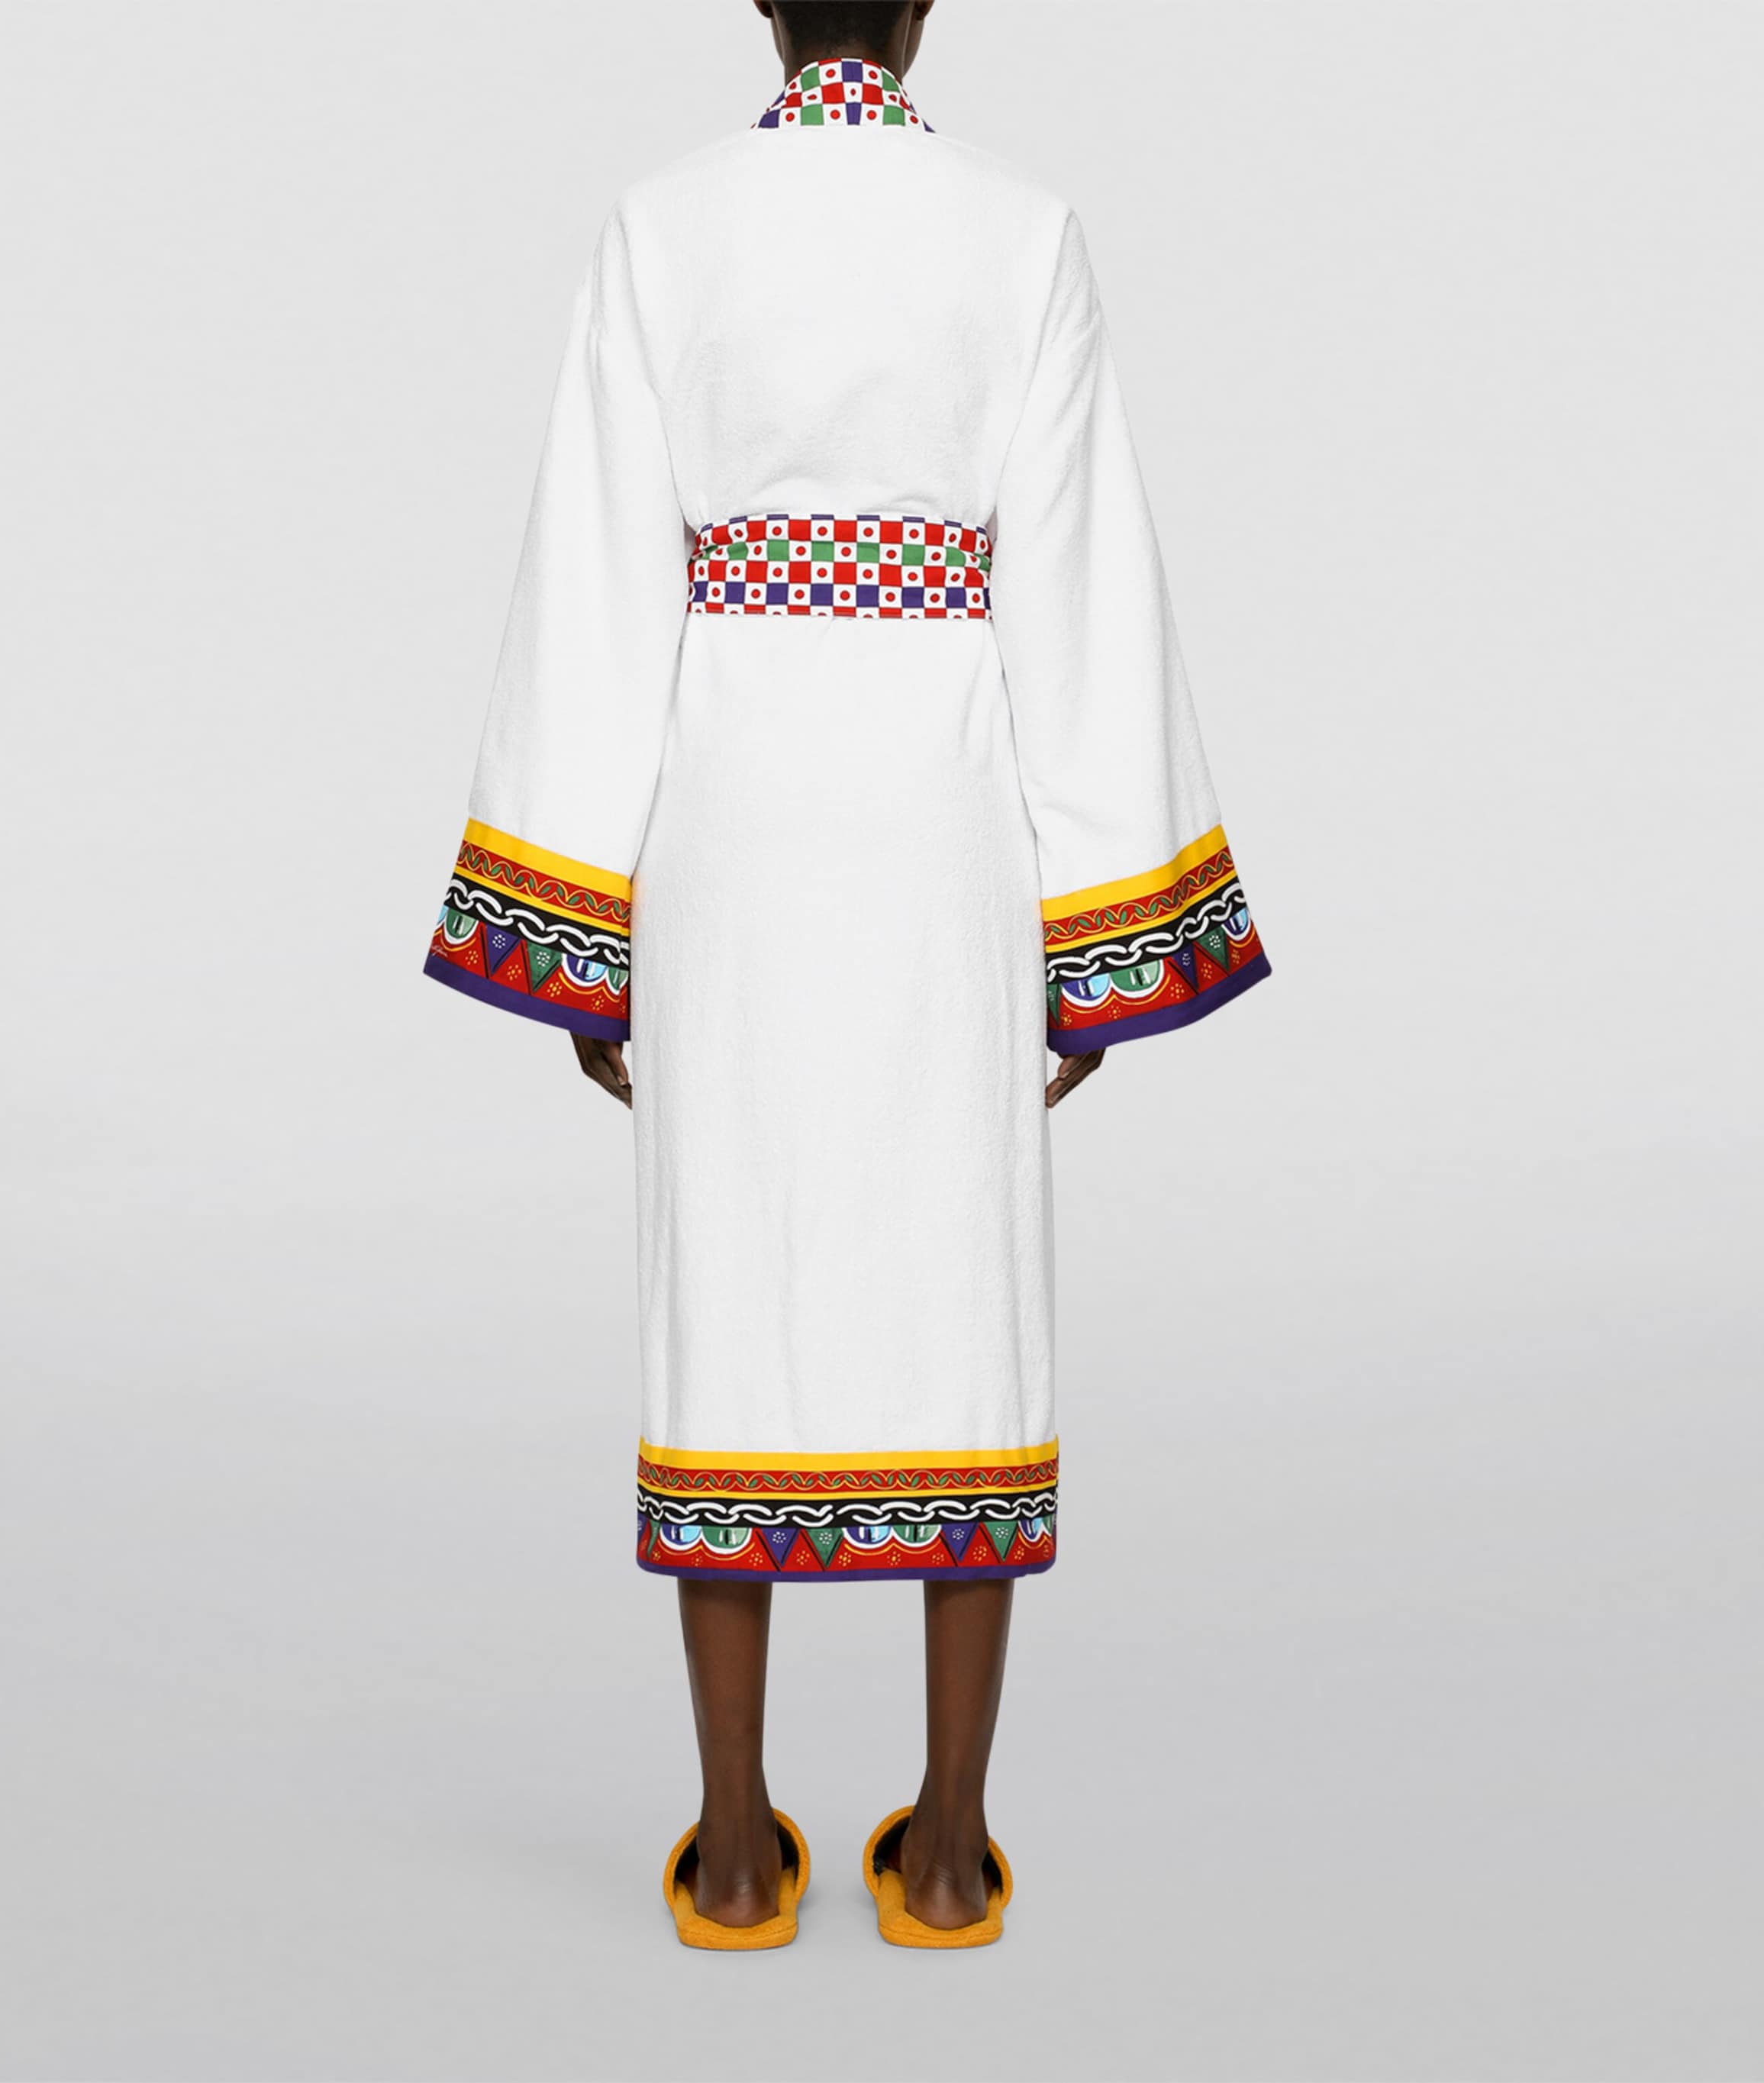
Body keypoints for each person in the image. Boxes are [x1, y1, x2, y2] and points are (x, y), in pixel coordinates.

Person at [423, 0, 1271, 1948]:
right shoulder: (1023, 230)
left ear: (762, 1)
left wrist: (583, 930)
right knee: (963, 1292)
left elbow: (598, 572)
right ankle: (950, 1855)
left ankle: (734, 1853)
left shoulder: (661, 225)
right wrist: (1098, 932)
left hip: (725, 810)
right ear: (922, 9)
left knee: (731, 1288)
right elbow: (1078, 578)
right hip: (944, 809)